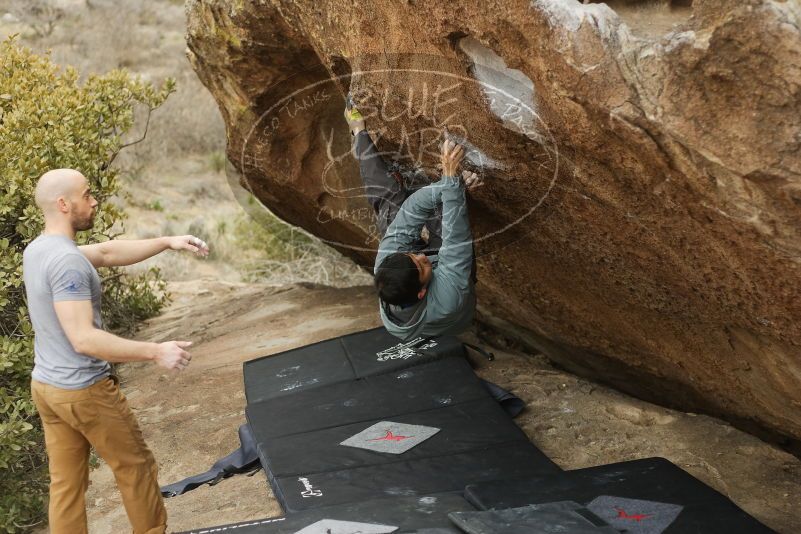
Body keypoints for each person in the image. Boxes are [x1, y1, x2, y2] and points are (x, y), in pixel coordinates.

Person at [23, 168, 210, 534]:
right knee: (135, 467)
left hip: (48, 388)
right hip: (84, 391)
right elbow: (83, 339)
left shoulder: (39, 249)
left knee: (66, 485)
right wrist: (155, 351)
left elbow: (107, 252)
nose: (94, 201)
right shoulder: (67, 262)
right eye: (87, 194)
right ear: (64, 204)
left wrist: (168, 240)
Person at [345, 98, 482, 341]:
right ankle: (456, 193)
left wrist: (450, 184)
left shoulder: (387, 265)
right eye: (421, 265)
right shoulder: (448, 297)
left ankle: (359, 134)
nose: (421, 256)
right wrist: (452, 183)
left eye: (411, 256)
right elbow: (455, 241)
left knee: (389, 203)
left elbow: (411, 211)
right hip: (452, 295)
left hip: (428, 282)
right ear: (421, 292)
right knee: (446, 215)